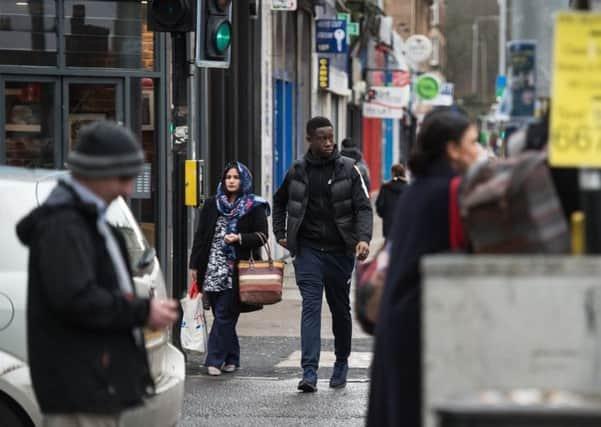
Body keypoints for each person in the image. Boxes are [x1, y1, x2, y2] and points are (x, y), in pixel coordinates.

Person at [15, 121, 179, 427]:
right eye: (123, 177)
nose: (129, 189)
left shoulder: (90, 221)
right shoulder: (65, 225)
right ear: (96, 173)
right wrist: (143, 311)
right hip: (80, 387)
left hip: (94, 384)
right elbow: (76, 298)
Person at [367, 110, 480, 426]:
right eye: (473, 142)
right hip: (425, 324)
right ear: (452, 149)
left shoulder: (417, 190)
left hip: (398, 317)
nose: (478, 150)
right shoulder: (453, 191)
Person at [273, 116, 373, 392]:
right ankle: (309, 372)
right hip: (307, 251)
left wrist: (363, 239)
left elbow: (364, 208)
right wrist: (280, 232)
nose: (328, 142)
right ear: (310, 140)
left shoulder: (351, 170)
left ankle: (341, 361)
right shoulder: (296, 170)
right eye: (322, 138)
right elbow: (279, 201)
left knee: (339, 308)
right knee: (311, 307)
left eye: (331, 137)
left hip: (341, 252)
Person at [189, 161, 269, 376]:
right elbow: (200, 236)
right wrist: (194, 265)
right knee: (220, 314)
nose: (232, 181)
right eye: (228, 177)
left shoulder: (254, 205)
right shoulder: (212, 204)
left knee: (225, 313)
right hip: (212, 268)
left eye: (236, 177)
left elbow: (262, 236)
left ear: (244, 180)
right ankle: (232, 357)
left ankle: (213, 360)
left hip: (236, 270)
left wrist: (239, 238)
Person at [375, 163, 408, 239]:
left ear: (392, 173)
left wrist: (385, 216)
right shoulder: (408, 188)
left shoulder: (385, 187)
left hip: (388, 224)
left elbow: (379, 204)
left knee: (389, 247)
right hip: (404, 224)